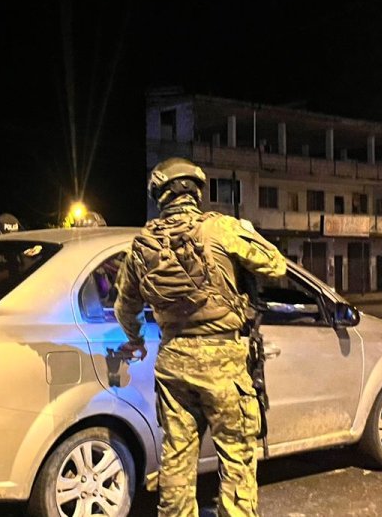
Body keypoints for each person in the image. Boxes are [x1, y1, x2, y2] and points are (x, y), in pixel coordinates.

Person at [113, 157, 287, 517]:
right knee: (236, 460)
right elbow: (277, 265)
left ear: (159, 194)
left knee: (176, 460)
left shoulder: (142, 245)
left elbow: (124, 307)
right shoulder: (221, 229)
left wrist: (137, 339)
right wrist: (245, 235)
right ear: (195, 189)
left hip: (173, 361)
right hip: (223, 363)